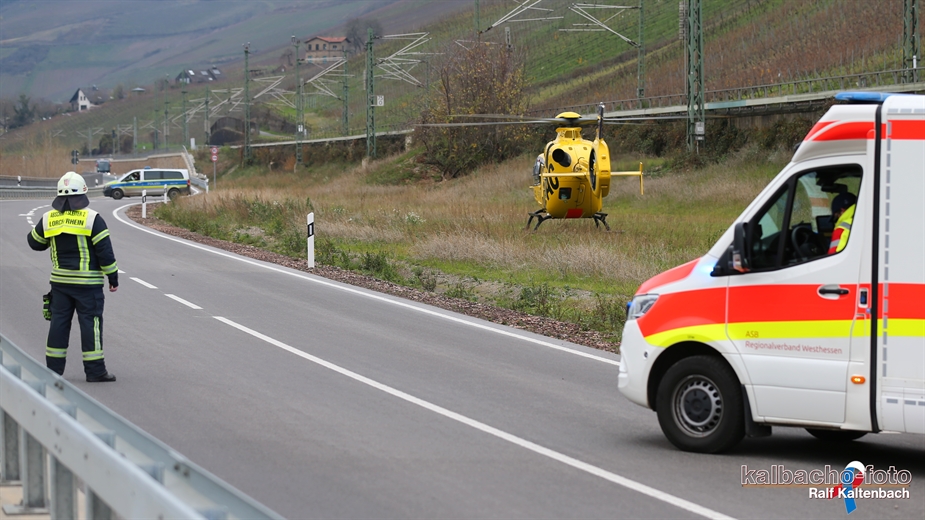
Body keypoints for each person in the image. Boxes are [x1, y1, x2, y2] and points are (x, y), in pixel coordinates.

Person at [27, 172, 119, 382]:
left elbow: (34, 243)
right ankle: (95, 371)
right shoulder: (92, 219)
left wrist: (53, 236)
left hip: (60, 284)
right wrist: (113, 278)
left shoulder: (49, 218)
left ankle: (53, 371)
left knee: (58, 323)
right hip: (88, 284)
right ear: (83, 192)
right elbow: (105, 252)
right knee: (90, 324)